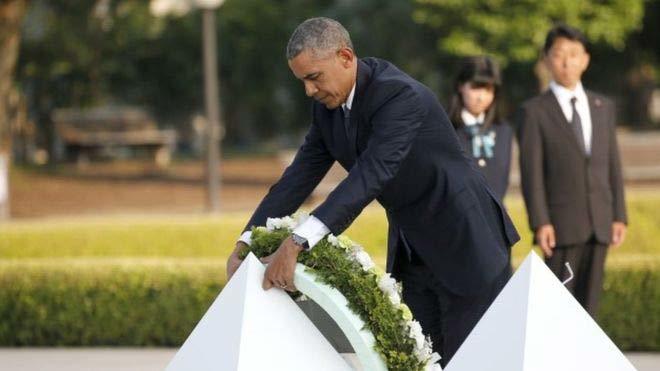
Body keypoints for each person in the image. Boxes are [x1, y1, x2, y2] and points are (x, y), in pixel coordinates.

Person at [226, 17, 519, 365]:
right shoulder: (327, 111)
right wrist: (246, 240)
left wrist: (298, 242)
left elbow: (371, 174)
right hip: (413, 251)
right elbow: (297, 178)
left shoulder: (399, 95)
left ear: (346, 57)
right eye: (302, 81)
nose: (309, 90)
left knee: (470, 362)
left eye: (314, 77)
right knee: (414, 361)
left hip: (467, 243)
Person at [517, 24, 627, 316]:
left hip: (600, 222)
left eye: (574, 54)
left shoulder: (603, 106)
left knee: (589, 307)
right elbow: (532, 172)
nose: (567, 62)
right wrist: (540, 222)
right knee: (560, 308)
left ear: (586, 59)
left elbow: (612, 163)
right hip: (561, 226)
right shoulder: (534, 111)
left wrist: (619, 215)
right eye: (559, 54)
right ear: (547, 59)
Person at [448, 56, 513, 201]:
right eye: (476, 87)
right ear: (460, 86)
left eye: (489, 89)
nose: (481, 97)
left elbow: (502, 181)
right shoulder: (446, 129)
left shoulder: (503, 131)